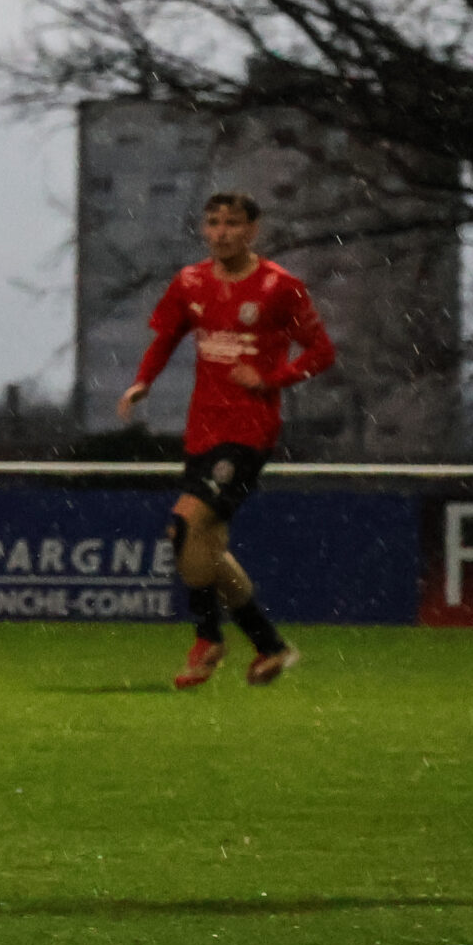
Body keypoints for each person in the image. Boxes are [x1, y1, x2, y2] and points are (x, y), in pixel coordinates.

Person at [118, 191, 335, 689]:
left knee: (185, 524)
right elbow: (166, 337)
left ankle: (208, 637)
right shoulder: (190, 282)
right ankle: (269, 645)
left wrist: (272, 379)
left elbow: (321, 352)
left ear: (252, 230)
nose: (221, 232)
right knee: (198, 544)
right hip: (202, 429)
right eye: (214, 223)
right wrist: (143, 381)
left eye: (233, 223)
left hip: (249, 432)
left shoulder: (280, 287)